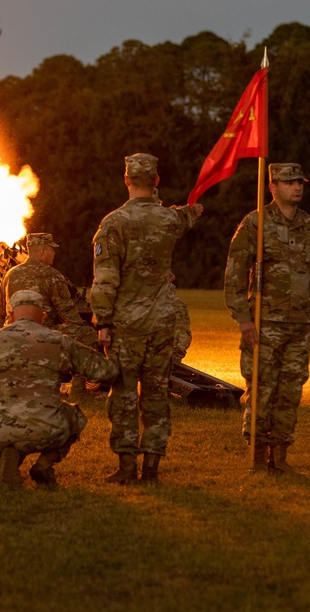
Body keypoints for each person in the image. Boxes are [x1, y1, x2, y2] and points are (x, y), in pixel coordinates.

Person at [90, 153, 202, 484]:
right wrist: (193, 210)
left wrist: (103, 322)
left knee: (124, 395)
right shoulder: (169, 220)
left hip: (127, 324)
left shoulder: (112, 224)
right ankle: (151, 467)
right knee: (155, 395)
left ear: (126, 180)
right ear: (156, 181)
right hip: (163, 321)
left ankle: (126, 467)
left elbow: (105, 278)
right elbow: (186, 216)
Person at [224, 162, 310, 473]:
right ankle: (256, 453)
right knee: (262, 389)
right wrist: (243, 319)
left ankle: (279, 455)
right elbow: (234, 275)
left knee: (291, 389)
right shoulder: (255, 224)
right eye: (289, 182)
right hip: (264, 324)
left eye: (300, 181)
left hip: (298, 325)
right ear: (272, 187)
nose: (297, 187)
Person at [0, 290, 118, 486]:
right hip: (48, 429)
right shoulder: (59, 341)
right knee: (75, 416)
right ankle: (44, 465)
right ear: (43, 316)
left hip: (0, 432)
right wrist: (112, 349)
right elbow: (105, 372)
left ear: (11, 316)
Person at [0, 232, 97, 347]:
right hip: (40, 334)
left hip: (12, 332)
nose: (54, 253)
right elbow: (70, 315)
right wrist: (85, 326)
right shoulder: (53, 275)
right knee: (90, 334)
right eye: (51, 249)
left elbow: (1, 313)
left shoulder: (9, 274)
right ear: (43, 252)